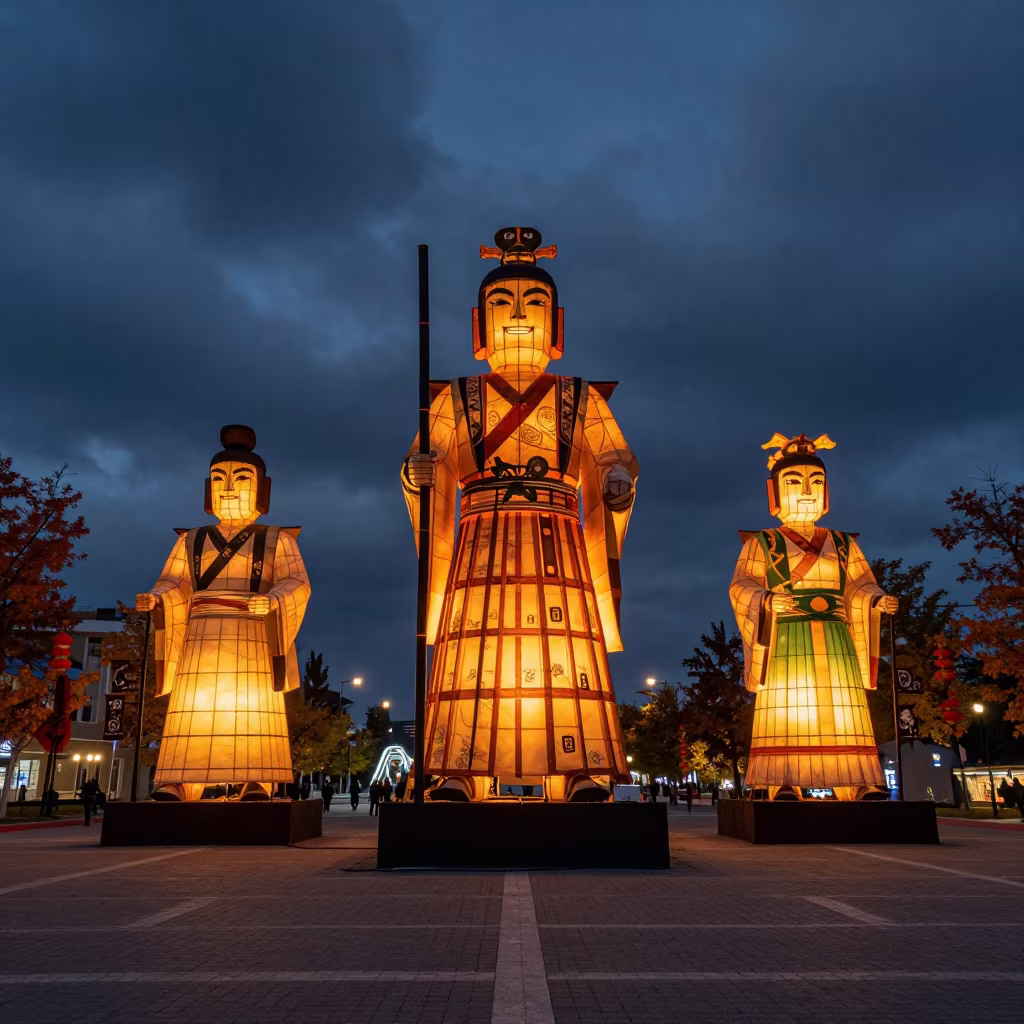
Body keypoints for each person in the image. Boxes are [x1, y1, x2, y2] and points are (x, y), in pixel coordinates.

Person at [403, 227, 638, 803]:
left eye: (531, 304)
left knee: (563, 653)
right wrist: (420, 474)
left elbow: (615, 455)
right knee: (474, 655)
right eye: (501, 303)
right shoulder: (454, 397)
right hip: (481, 534)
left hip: (555, 533)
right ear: (479, 324)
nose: (516, 316)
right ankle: (461, 769)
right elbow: (422, 458)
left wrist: (615, 479)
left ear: (555, 324)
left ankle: (581, 769)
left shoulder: (583, 398)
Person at [135, 425, 311, 801]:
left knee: (254, 712)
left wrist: (275, 599)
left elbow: (298, 582)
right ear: (207, 489)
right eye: (219, 479)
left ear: (262, 489)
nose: (228, 487)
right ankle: (182, 780)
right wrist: (156, 598)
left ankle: (258, 778)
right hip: (201, 632)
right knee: (194, 713)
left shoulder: (277, 539)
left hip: (251, 631)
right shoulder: (191, 539)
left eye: (241, 478)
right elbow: (174, 582)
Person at [731, 434, 898, 800]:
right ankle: (782, 779)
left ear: (826, 493)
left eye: (816, 482)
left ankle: (856, 781)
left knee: (845, 711)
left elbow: (860, 585)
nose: (806, 491)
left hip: (836, 634)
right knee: (786, 711)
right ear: (774, 493)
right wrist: (765, 599)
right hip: (787, 636)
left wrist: (876, 601)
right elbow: (740, 586)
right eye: (794, 482)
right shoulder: (761, 544)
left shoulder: (843, 543)